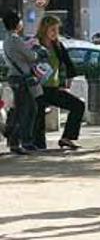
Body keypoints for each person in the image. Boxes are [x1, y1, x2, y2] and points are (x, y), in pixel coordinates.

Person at [34, 15, 84, 150]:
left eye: (57, 29)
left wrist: (65, 84)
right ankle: (38, 145)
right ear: (44, 29)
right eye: (52, 29)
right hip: (37, 87)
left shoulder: (58, 45)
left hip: (53, 88)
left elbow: (69, 65)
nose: (56, 33)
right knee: (38, 114)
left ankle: (67, 138)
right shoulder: (35, 44)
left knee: (78, 105)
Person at [2, 11, 44, 155]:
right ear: (16, 23)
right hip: (22, 78)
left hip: (15, 77)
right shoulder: (15, 40)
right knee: (26, 110)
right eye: (20, 20)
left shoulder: (7, 40)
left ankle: (23, 140)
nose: (22, 23)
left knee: (26, 109)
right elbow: (31, 56)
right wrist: (37, 50)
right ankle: (18, 141)